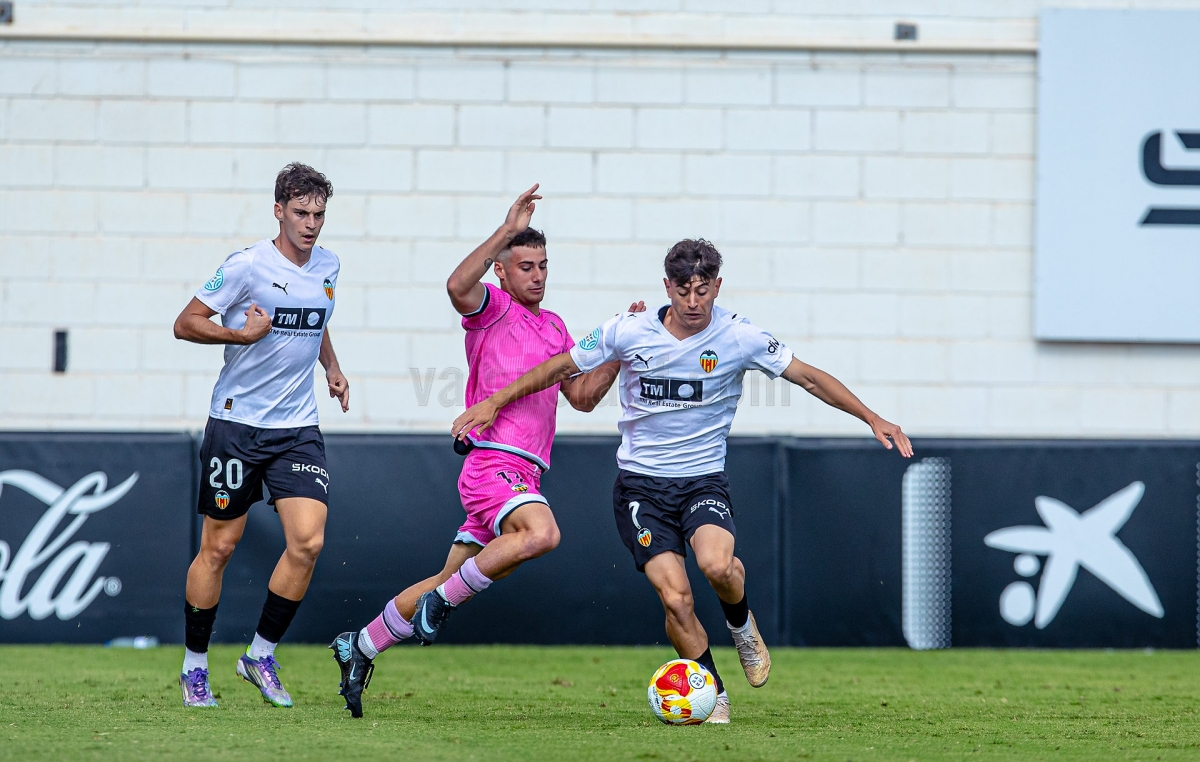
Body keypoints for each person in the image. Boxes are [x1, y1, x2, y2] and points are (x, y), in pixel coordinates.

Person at [451, 238, 913, 724]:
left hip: (701, 482)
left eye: (703, 291)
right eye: (684, 291)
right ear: (667, 287)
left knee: (718, 567)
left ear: (717, 287)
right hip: (640, 488)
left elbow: (809, 377)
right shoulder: (629, 331)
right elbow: (560, 368)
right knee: (676, 598)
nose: (694, 303)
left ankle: (741, 624)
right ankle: (711, 689)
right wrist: (495, 402)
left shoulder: (739, 336)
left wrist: (872, 417)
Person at [331, 185, 643, 718]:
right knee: (541, 534)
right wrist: (504, 229)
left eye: (543, 265)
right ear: (502, 270)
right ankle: (441, 604)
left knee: (444, 579)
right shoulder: (492, 308)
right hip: (492, 464)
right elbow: (456, 284)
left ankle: (359, 646)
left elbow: (584, 398)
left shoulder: (555, 327)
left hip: (525, 475)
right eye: (525, 266)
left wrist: (618, 349)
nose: (538, 275)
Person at [173, 163, 350, 708]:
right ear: (279, 211)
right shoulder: (247, 265)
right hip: (237, 424)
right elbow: (185, 322)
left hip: (296, 427)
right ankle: (195, 667)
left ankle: (260, 655)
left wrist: (332, 368)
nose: (312, 223)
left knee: (309, 541)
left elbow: (314, 322)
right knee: (219, 547)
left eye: (319, 213)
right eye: (301, 212)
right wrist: (238, 334)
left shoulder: (329, 265)